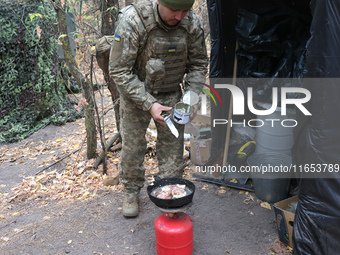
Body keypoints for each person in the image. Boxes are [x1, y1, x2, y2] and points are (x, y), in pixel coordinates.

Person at [109, 0, 208, 217]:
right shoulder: (134, 20)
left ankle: (170, 191)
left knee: (173, 148)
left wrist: (190, 99)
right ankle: (131, 190)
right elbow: (118, 70)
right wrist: (148, 103)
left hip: (172, 93)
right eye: (174, 10)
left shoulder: (191, 23)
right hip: (136, 92)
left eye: (185, 10)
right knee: (133, 148)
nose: (180, 16)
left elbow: (198, 64)